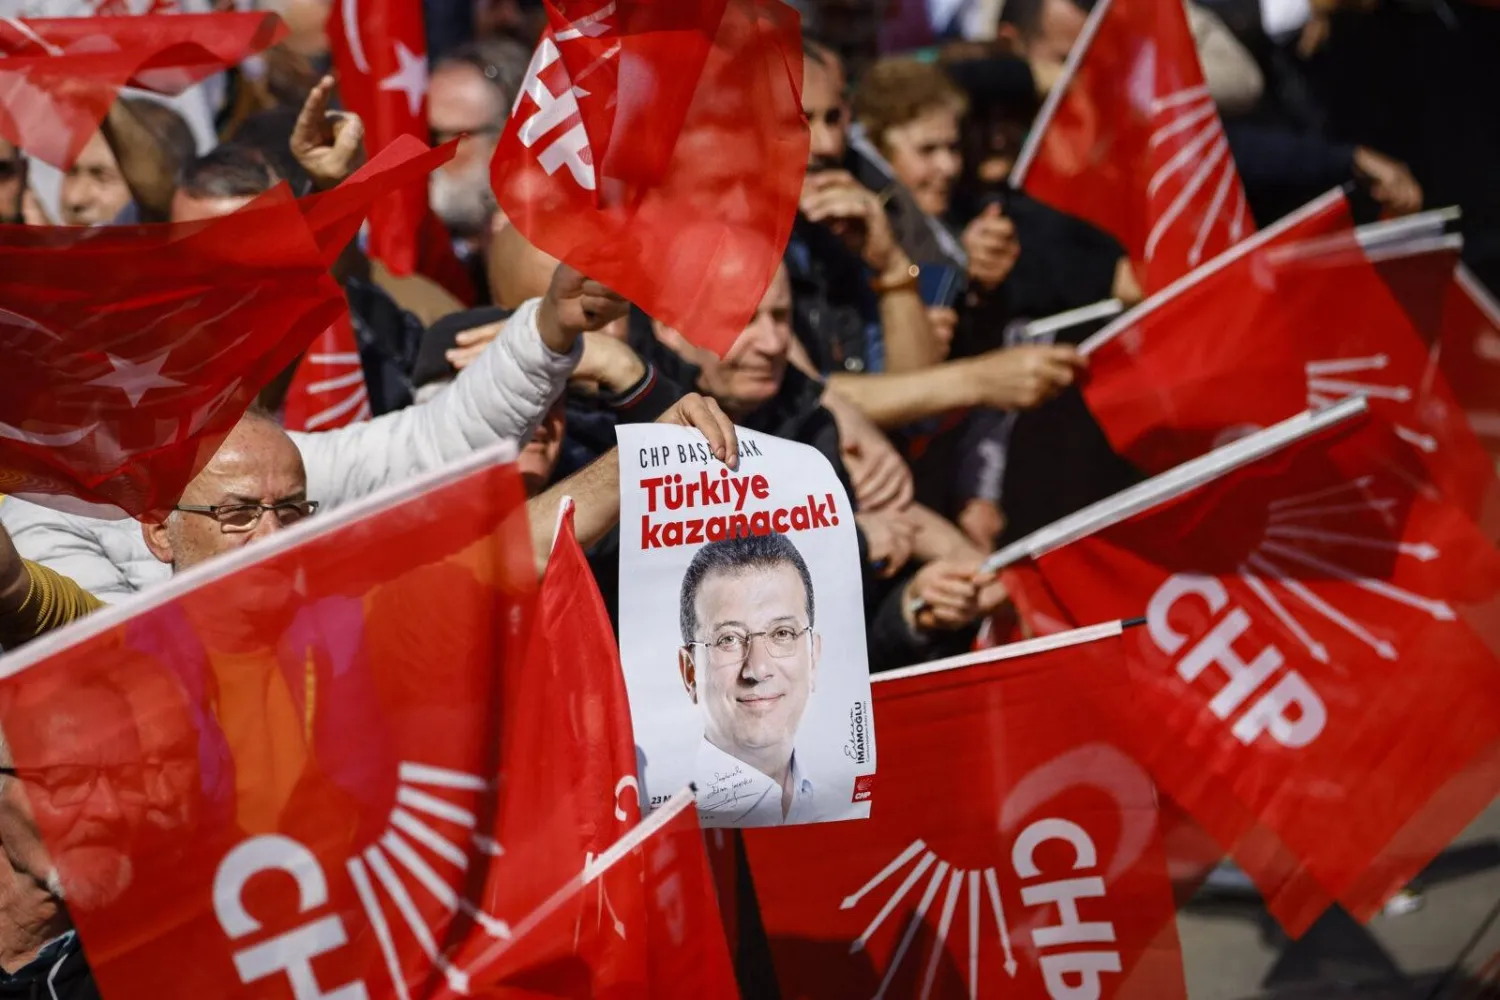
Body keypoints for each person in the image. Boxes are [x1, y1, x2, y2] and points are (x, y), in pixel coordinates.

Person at [679, 531, 820, 826]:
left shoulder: (835, 797)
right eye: (728, 639)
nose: (757, 670)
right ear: (690, 671)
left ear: (813, 656)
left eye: (782, 633)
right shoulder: (669, 825)